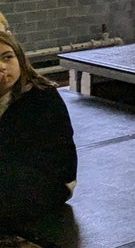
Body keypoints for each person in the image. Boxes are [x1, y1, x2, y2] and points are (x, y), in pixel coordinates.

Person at [0, 24, 78, 226]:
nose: (2, 66)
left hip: (49, 179)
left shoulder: (41, 96)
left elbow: (13, 151)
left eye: (7, 58)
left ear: (20, 60)